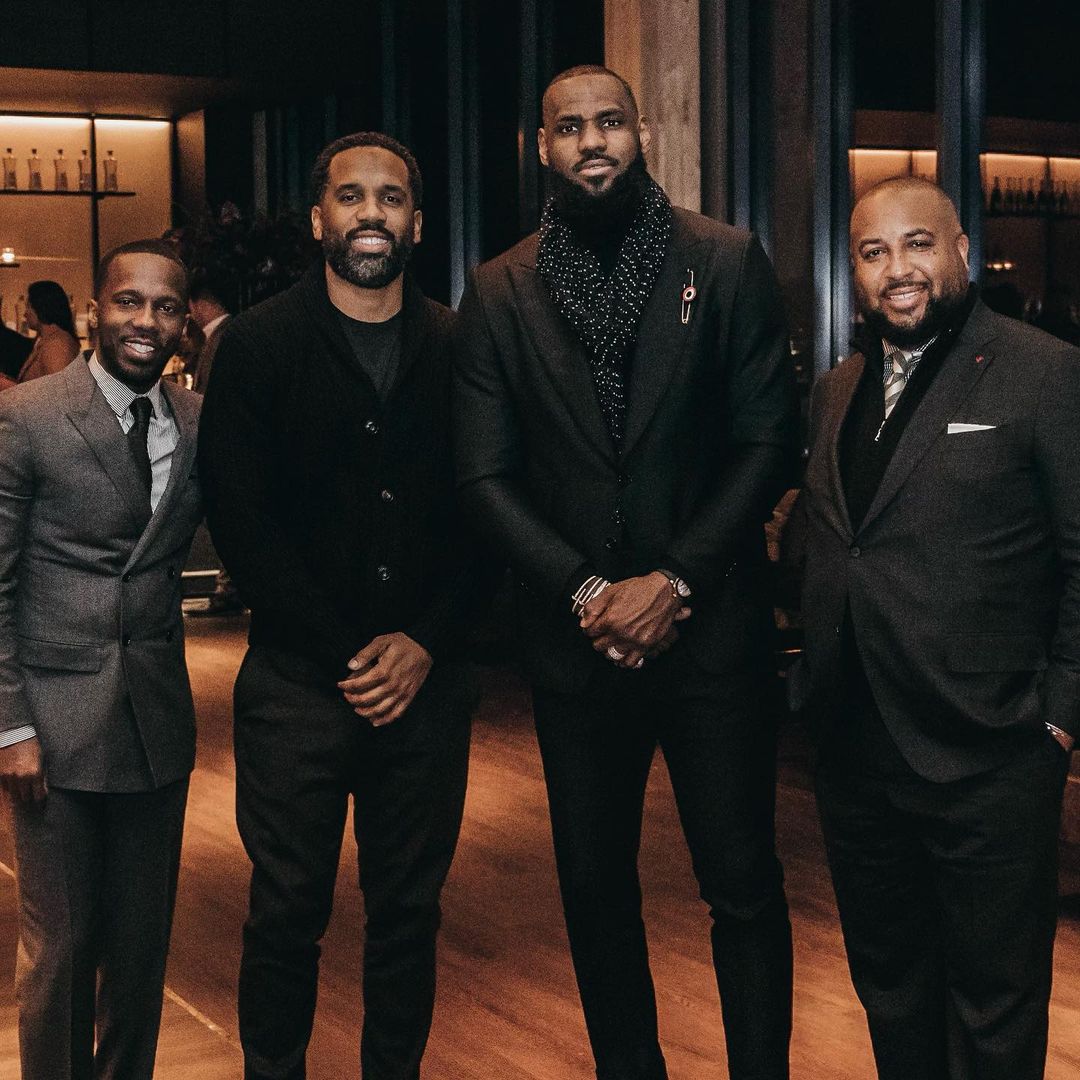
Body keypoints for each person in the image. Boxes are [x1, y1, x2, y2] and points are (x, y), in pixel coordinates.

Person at [454, 65, 796, 1080]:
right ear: (543, 148)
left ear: (640, 133)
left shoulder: (724, 260)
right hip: (577, 645)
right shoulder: (500, 288)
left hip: (713, 636)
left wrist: (674, 581)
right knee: (595, 892)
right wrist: (589, 593)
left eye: (609, 122)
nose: (591, 141)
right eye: (570, 128)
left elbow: (767, 442)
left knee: (743, 885)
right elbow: (482, 475)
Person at [199, 132, 487, 1080]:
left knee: (408, 917)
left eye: (391, 198)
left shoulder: (463, 346)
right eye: (352, 196)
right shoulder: (256, 344)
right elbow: (241, 523)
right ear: (320, 217)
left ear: (417, 223)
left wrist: (425, 643)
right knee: (286, 915)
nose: (372, 213)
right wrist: (353, 654)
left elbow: (489, 512)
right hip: (295, 689)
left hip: (427, 690)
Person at [795, 176, 1080, 1080]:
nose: (898, 269)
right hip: (857, 754)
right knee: (892, 988)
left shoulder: (1044, 371)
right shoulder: (836, 390)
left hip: (992, 754)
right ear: (854, 272)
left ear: (961, 249)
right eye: (873, 252)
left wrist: (1058, 717)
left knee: (995, 1005)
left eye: (918, 243)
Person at [0, 239, 202, 1079]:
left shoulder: (199, 420)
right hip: (51, 730)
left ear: (183, 323)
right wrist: (10, 726)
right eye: (128, 301)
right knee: (62, 949)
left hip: (157, 725)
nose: (144, 320)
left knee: (141, 951)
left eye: (164, 306)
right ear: (95, 310)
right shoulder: (29, 415)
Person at [18, 279, 81, 382]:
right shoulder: (47, 340)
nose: (25, 314)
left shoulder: (57, 346)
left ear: (40, 307)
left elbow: (59, 389)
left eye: (28, 307)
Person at [189, 269, 234, 394]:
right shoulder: (225, 333)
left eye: (190, 306)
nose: (191, 315)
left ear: (200, 304)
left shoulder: (221, 340)